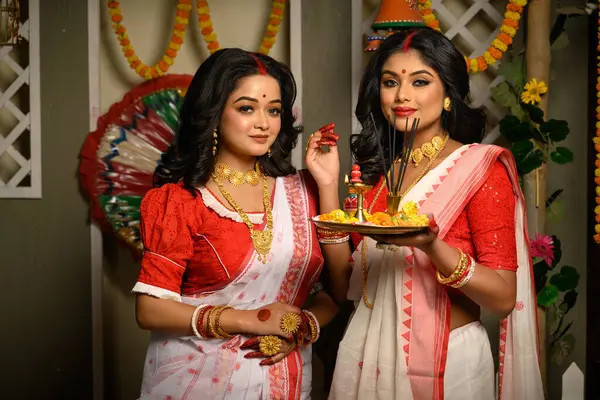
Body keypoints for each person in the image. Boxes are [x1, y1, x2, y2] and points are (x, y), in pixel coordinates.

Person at [306, 28, 544, 399]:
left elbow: (501, 298)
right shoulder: (380, 175)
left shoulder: (479, 168)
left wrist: (433, 248)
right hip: (366, 352)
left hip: (450, 365)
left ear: (448, 94)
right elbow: (345, 286)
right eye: (390, 82)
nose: (402, 95)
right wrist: (326, 184)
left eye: (420, 81)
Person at [132, 48, 338, 400]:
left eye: (273, 110)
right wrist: (251, 319)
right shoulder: (182, 201)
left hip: (285, 379)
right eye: (246, 108)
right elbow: (149, 310)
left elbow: (341, 291)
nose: (264, 123)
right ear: (213, 114)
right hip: (197, 380)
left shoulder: (303, 191)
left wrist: (300, 328)